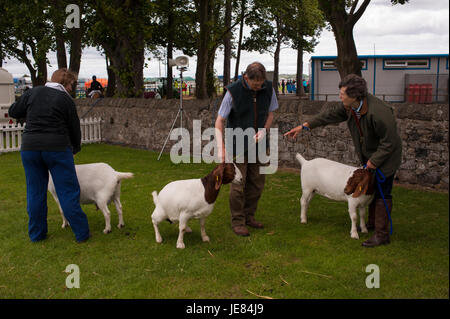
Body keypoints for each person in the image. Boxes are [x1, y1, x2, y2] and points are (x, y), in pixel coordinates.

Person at [284, 74, 402, 247]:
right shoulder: (350, 106)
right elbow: (328, 116)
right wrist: (304, 126)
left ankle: (382, 234)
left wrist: (373, 162)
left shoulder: (380, 113)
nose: (340, 96)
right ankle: (370, 223)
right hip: (370, 155)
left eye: (342, 93)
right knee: (369, 187)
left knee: (382, 192)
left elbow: (390, 142)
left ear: (354, 96)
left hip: (387, 156)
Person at [8, 68, 91, 243]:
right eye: (71, 85)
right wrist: (75, 148)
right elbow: (74, 128)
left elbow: (14, 111)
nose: (71, 89)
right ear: (66, 83)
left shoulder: (33, 93)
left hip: (30, 148)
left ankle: (37, 235)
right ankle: (82, 233)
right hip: (58, 149)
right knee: (67, 191)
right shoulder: (65, 100)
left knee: (35, 192)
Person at [215, 62, 279, 237]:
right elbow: (219, 121)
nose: (259, 88)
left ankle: (249, 216)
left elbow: (271, 113)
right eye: (255, 85)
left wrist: (264, 130)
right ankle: (238, 221)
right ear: (246, 77)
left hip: (259, 146)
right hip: (237, 146)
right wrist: (221, 149)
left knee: (257, 183)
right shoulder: (232, 92)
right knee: (237, 185)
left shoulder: (268, 88)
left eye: (261, 84)